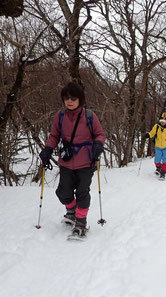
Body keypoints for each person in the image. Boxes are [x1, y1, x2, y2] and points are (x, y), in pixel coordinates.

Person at [39, 82, 106, 238]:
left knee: (83, 192)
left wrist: (98, 145)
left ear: (80, 99)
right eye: (66, 97)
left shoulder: (89, 116)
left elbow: (100, 134)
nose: (69, 101)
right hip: (67, 161)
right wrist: (48, 149)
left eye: (73, 98)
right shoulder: (60, 115)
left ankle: (80, 222)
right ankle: (72, 211)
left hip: (86, 161)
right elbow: (54, 135)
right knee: (63, 192)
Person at [145, 112, 166, 180]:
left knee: (165, 159)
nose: (162, 123)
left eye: (164, 121)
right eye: (161, 121)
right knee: (157, 160)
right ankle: (159, 168)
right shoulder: (157, 126)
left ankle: (163, 173)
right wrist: (148, 135)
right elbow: (152, 133)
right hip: (158, 146)